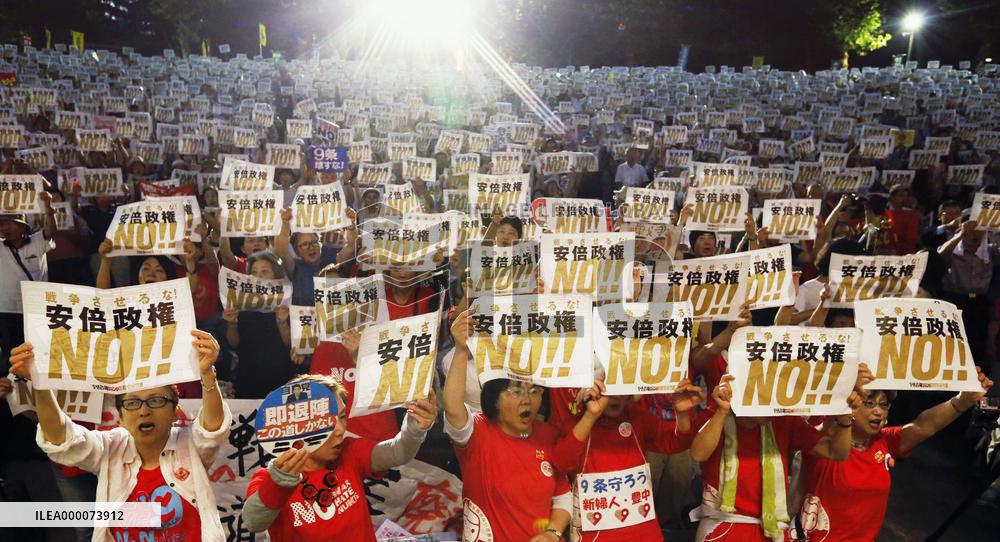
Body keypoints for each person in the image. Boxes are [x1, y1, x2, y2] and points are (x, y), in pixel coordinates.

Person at [8, 330, 231, 542]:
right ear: (121, 418)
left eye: (156, 400)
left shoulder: (190, 444)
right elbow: (61, 439)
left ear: (176, 412)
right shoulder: (111, 446)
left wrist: (207, 373)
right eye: (132, 403)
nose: (144, 410)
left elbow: (212, 430)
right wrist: (40, 382)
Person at [794, 368, 993, 541]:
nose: (879, 412)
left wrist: (961, 401)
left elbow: (923, 426)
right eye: (869, 403)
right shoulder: (823, 441)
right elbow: (825, 426)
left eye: (884, 405)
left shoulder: (884, 441)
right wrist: (842, 399)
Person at [242, 374, 439, 541]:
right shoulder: (268, 478)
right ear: (296, 429)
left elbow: (397, 452)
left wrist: (414, 428)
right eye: (327, 421)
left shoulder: (349, 452)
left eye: (342, 417)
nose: (341, 430)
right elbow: (253, 521)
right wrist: (278, 484)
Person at [444, 309, 572, 542]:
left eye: (535, 391)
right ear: (494, 398)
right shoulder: (477, 433)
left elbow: (562, 497)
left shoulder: (549, 435)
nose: (528, 399)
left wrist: (552, 534)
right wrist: (461, 349)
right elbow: (453, 407)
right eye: (516, 391)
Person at [689, 375, 859, 542]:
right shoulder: (716, 413)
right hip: (722, 528)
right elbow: (698, 453)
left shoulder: (784, 420)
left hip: (772, 531)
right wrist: (721, 412)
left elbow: (836, 452)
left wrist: (845, 420)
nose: (771, 404)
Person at [552, 377, 702, 541]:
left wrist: (681, 413)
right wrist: (590, 417)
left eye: (621, 388)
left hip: (645, 533)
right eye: (608, 388)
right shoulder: (576, 423)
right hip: (595, 536)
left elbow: (676, 443)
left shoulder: (637, 417)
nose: (617, 396)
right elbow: (562, 464)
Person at [223, 251, 300, 398]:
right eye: (254, 272)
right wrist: (231, 324)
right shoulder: (240, 304)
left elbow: (290, 344)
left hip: (280, 373)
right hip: (248, 374)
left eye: (265, 271)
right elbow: (234, 344)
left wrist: (281, 322)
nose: (258, 275)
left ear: (276, 276)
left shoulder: (287, 302)